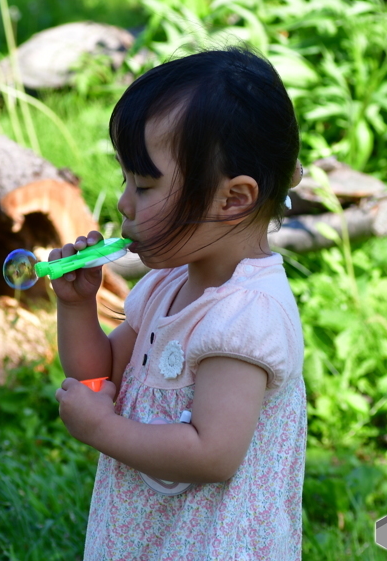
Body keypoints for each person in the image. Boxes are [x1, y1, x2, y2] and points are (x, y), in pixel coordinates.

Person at [52, 46, 306, 559]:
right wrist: (78, 307)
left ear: (233, 199)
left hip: (214, 543)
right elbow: (103, 374)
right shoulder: (168, 286)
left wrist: (103, 428)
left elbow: (213, 453)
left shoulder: (245, 316)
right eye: (128, 180)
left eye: (145, 186)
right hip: (152, 535)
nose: (124, 202)